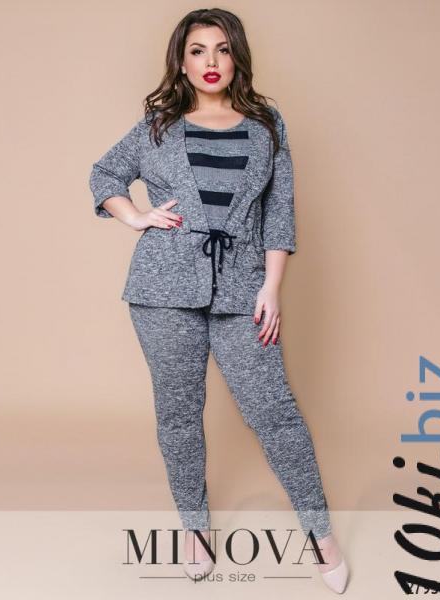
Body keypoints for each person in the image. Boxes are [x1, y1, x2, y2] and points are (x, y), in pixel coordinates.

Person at [89, 7, 349, 593]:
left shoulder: (267, 125)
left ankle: (320, 533)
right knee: (179, 414)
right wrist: (136, 217)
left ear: (237, 58)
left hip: (243, 287)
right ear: (181, 62)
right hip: (162, 290)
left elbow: (279, 212)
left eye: (222, 49)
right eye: (198, 50)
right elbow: (105, 175)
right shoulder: (158, 125)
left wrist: (271, 288)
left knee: (274, 412)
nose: (211, 62)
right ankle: (195, 529)